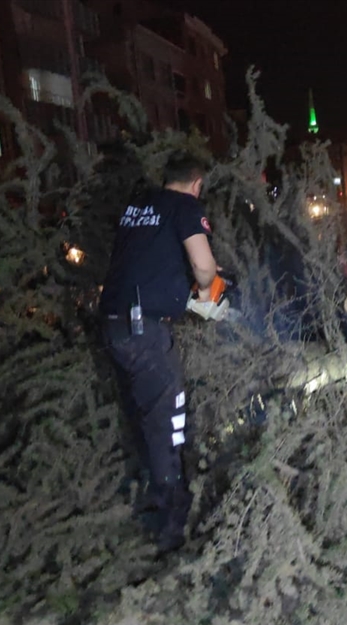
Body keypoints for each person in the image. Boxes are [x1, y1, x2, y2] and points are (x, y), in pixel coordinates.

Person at [99, 151, 225, 553]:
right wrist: (207, 294)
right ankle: (172, 527)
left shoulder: (138, 206)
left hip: (114, 324)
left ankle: (153, 503)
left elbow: (144, 264)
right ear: (196, 184)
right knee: (169, 420)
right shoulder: (185, 206)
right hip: (144, 329)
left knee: (143, 417)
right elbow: (204, 266)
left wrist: (179, 299)